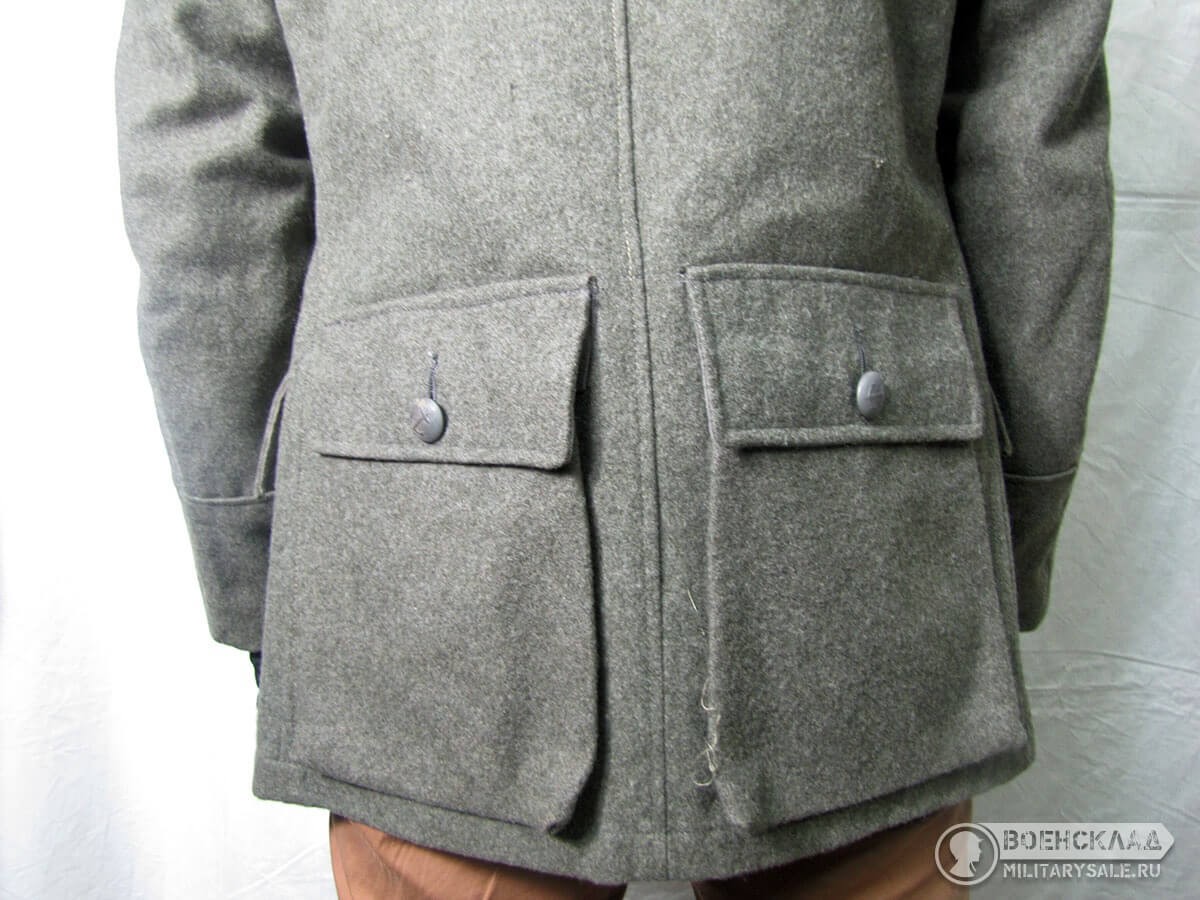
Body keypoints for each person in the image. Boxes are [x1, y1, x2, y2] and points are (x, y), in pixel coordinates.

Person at [115, 0, 1114, 896]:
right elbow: (1034, 148)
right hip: (863, 525)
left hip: (428, 565)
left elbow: (207, 164)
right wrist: (1012, 522)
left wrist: (257, 560)